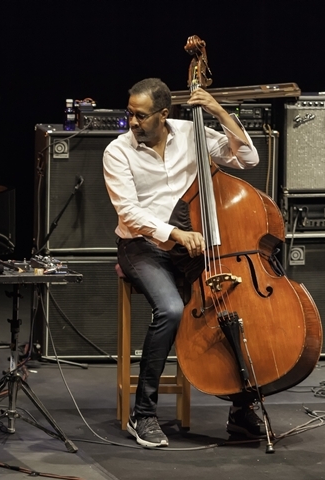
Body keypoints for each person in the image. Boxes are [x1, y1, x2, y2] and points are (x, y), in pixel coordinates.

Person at [103, 78, 265, 448]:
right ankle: (143, 413)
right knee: (172, 310)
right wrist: (174, 235)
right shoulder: (117, 152)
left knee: (232, 305)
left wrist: (219, 112)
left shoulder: (191, 132)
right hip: (142, 246)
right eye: (129, 114)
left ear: (164, 114)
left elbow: (248, 158)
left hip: (192, 246)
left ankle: (241, 409)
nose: (132, 122)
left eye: (140, 116)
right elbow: (129, 214)